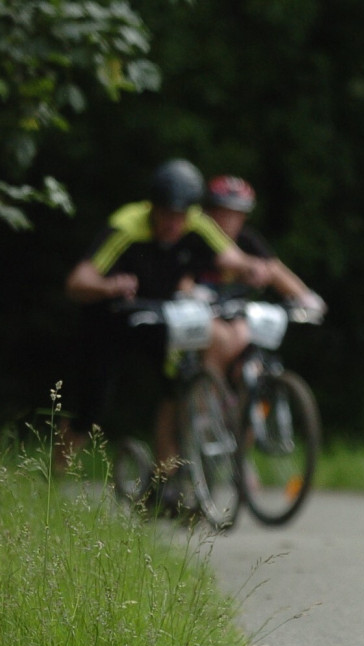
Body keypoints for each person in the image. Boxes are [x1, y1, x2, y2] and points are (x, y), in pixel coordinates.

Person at [57, 159, 271, 483]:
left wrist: (251, 268)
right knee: (91, 408)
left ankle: (166, 477)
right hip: (111, 321)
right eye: (167, 214)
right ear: (153, 208)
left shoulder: (196, 223)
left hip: (160, 318)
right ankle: (54, 476)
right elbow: (77, 282)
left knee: (179, 385)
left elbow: (231, 257)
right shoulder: (127, 227)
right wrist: (109, 286)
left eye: (181, 215)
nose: (174, 223)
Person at [199, 174, 326, 314]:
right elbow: (226, 259)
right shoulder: (197, 235)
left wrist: (304, 297)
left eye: (238, 214)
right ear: (210, 211)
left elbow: (273, 267)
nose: (231, 220)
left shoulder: (246, 237)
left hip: (228, 308)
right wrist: (251, 266)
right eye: (225, 212)